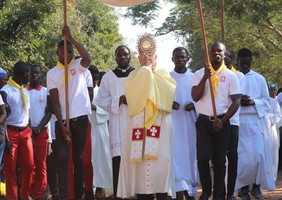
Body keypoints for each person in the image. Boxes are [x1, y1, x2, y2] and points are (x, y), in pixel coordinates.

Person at [117, 34, 176, 200]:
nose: (147, 58)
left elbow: (167, 94)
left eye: (151, 55)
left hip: (161, 126)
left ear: (157, 56)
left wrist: (150, 71)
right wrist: (146, 70)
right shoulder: (134, 76)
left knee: (163, 161)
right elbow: (133, 95)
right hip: (138, 127)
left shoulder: (164, 75)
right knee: (140, 167)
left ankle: (163, 192)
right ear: (138, 57)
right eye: (143, 55)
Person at [46, 26, 92, 200]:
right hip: (63, 121)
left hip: (80, 119)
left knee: (79, 160)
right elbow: (55, 101)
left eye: (70, 51)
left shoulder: (79, 66)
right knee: (63, 159)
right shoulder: (52, 73)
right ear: (57, 53)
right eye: (63, 51)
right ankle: (63, 196)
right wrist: (62, 124)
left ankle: (79, 195)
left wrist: (71, 38)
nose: (68, 55)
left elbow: (88, 57)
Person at [191, 41, 241, 200]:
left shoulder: (231, 76)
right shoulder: (199, 73)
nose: (216, 54)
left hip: (222, 122)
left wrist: (223, 120)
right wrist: (205, 78)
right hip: (204, 122)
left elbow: (236, 101)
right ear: (208, 54)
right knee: (203, 157)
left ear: (224, 54)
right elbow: (195, 96)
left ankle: (219, 194)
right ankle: (206, 190)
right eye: (213, 51)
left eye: (219, 51)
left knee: (220, 161)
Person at [96, 45, 134, 200]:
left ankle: (135, 192)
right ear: (115, 57)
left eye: (125, 55)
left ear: (130, 56)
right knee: (118, 159)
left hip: (134, 121)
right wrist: (119, 100)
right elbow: (100, 100)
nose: (122, 58)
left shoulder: (137, 75)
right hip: (116, 123)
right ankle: (119, 193)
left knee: (135, 159)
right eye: (119, 55)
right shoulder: (108, 77)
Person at [234, 48, 271, 200]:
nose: (244, 66)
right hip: (238, 122)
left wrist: (252, 101)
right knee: (241, 158)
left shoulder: (259, 78)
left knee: (257, 156)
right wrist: (238, 101)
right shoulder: (233, 77)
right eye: (241, 63)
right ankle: (243, 189)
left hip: (254, 122)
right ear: (238, 61)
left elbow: (267, 102)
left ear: (251, 61)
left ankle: (256, 186)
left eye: (246, 63)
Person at [170, 47, 198, 200]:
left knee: (190, 156)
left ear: (187, 58)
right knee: (175, 155)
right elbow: (159, 98)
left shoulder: (195, 78)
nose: (180, 59)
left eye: (183, 57)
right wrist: (168, 103)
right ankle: (178, 190)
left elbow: (202, 99)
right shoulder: (166, 78)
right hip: (173, 124)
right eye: (177, 57)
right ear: (172, 59)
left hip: (190, 124)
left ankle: (191, 192)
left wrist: (194, 106)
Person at [1, 61, 33, 199]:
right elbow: (3, 116)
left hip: (25, 132)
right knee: (10, 170)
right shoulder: (5, 91)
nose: (29, 76)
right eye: (28, 73)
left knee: (29, 166)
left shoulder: (24, 91)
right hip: (11, 133)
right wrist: (6, 138)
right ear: (21, 74)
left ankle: (24, 195)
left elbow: (26, 113)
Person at [27, 64, 52, 199]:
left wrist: (39, 127)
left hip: (41, 133)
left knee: (41, 164)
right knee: (29, 164)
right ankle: (29, 192)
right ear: (28, 74)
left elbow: (49, 113)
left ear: (40, 74)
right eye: (32, 73)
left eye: (37, 73)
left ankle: (40, 194)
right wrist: (30, 128)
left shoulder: (46, 91)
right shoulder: (24, 91)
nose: (34, 75)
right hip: (28, 133)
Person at [224, 49, 246, 200]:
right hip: (217, 122)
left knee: (232, 157)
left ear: (232, 59)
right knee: (219, 159)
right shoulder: (212, 75)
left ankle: (231, 192)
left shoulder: (239, 76)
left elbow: (238, 98)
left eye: (227, 56)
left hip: (232, 122)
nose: (224, 58)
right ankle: (219, 190)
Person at [89, 69, 113, 199]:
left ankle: (101, 188)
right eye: (92, 78)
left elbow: (107, 111)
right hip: (86, 129)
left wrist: (93, 107)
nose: (94, 81)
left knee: (101, 160)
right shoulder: (82, 91)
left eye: (96, 78)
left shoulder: (100, 92)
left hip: (100, 129)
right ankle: (87, 188)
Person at [266, 83, 282, 183]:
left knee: (273, 154)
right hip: (263, 130)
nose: (273, 91)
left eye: (274, 90)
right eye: (271, 90)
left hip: (273, 130)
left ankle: (272, 178)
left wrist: (269, 118)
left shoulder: (275, 102)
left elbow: (278, 116)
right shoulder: (264, 101)